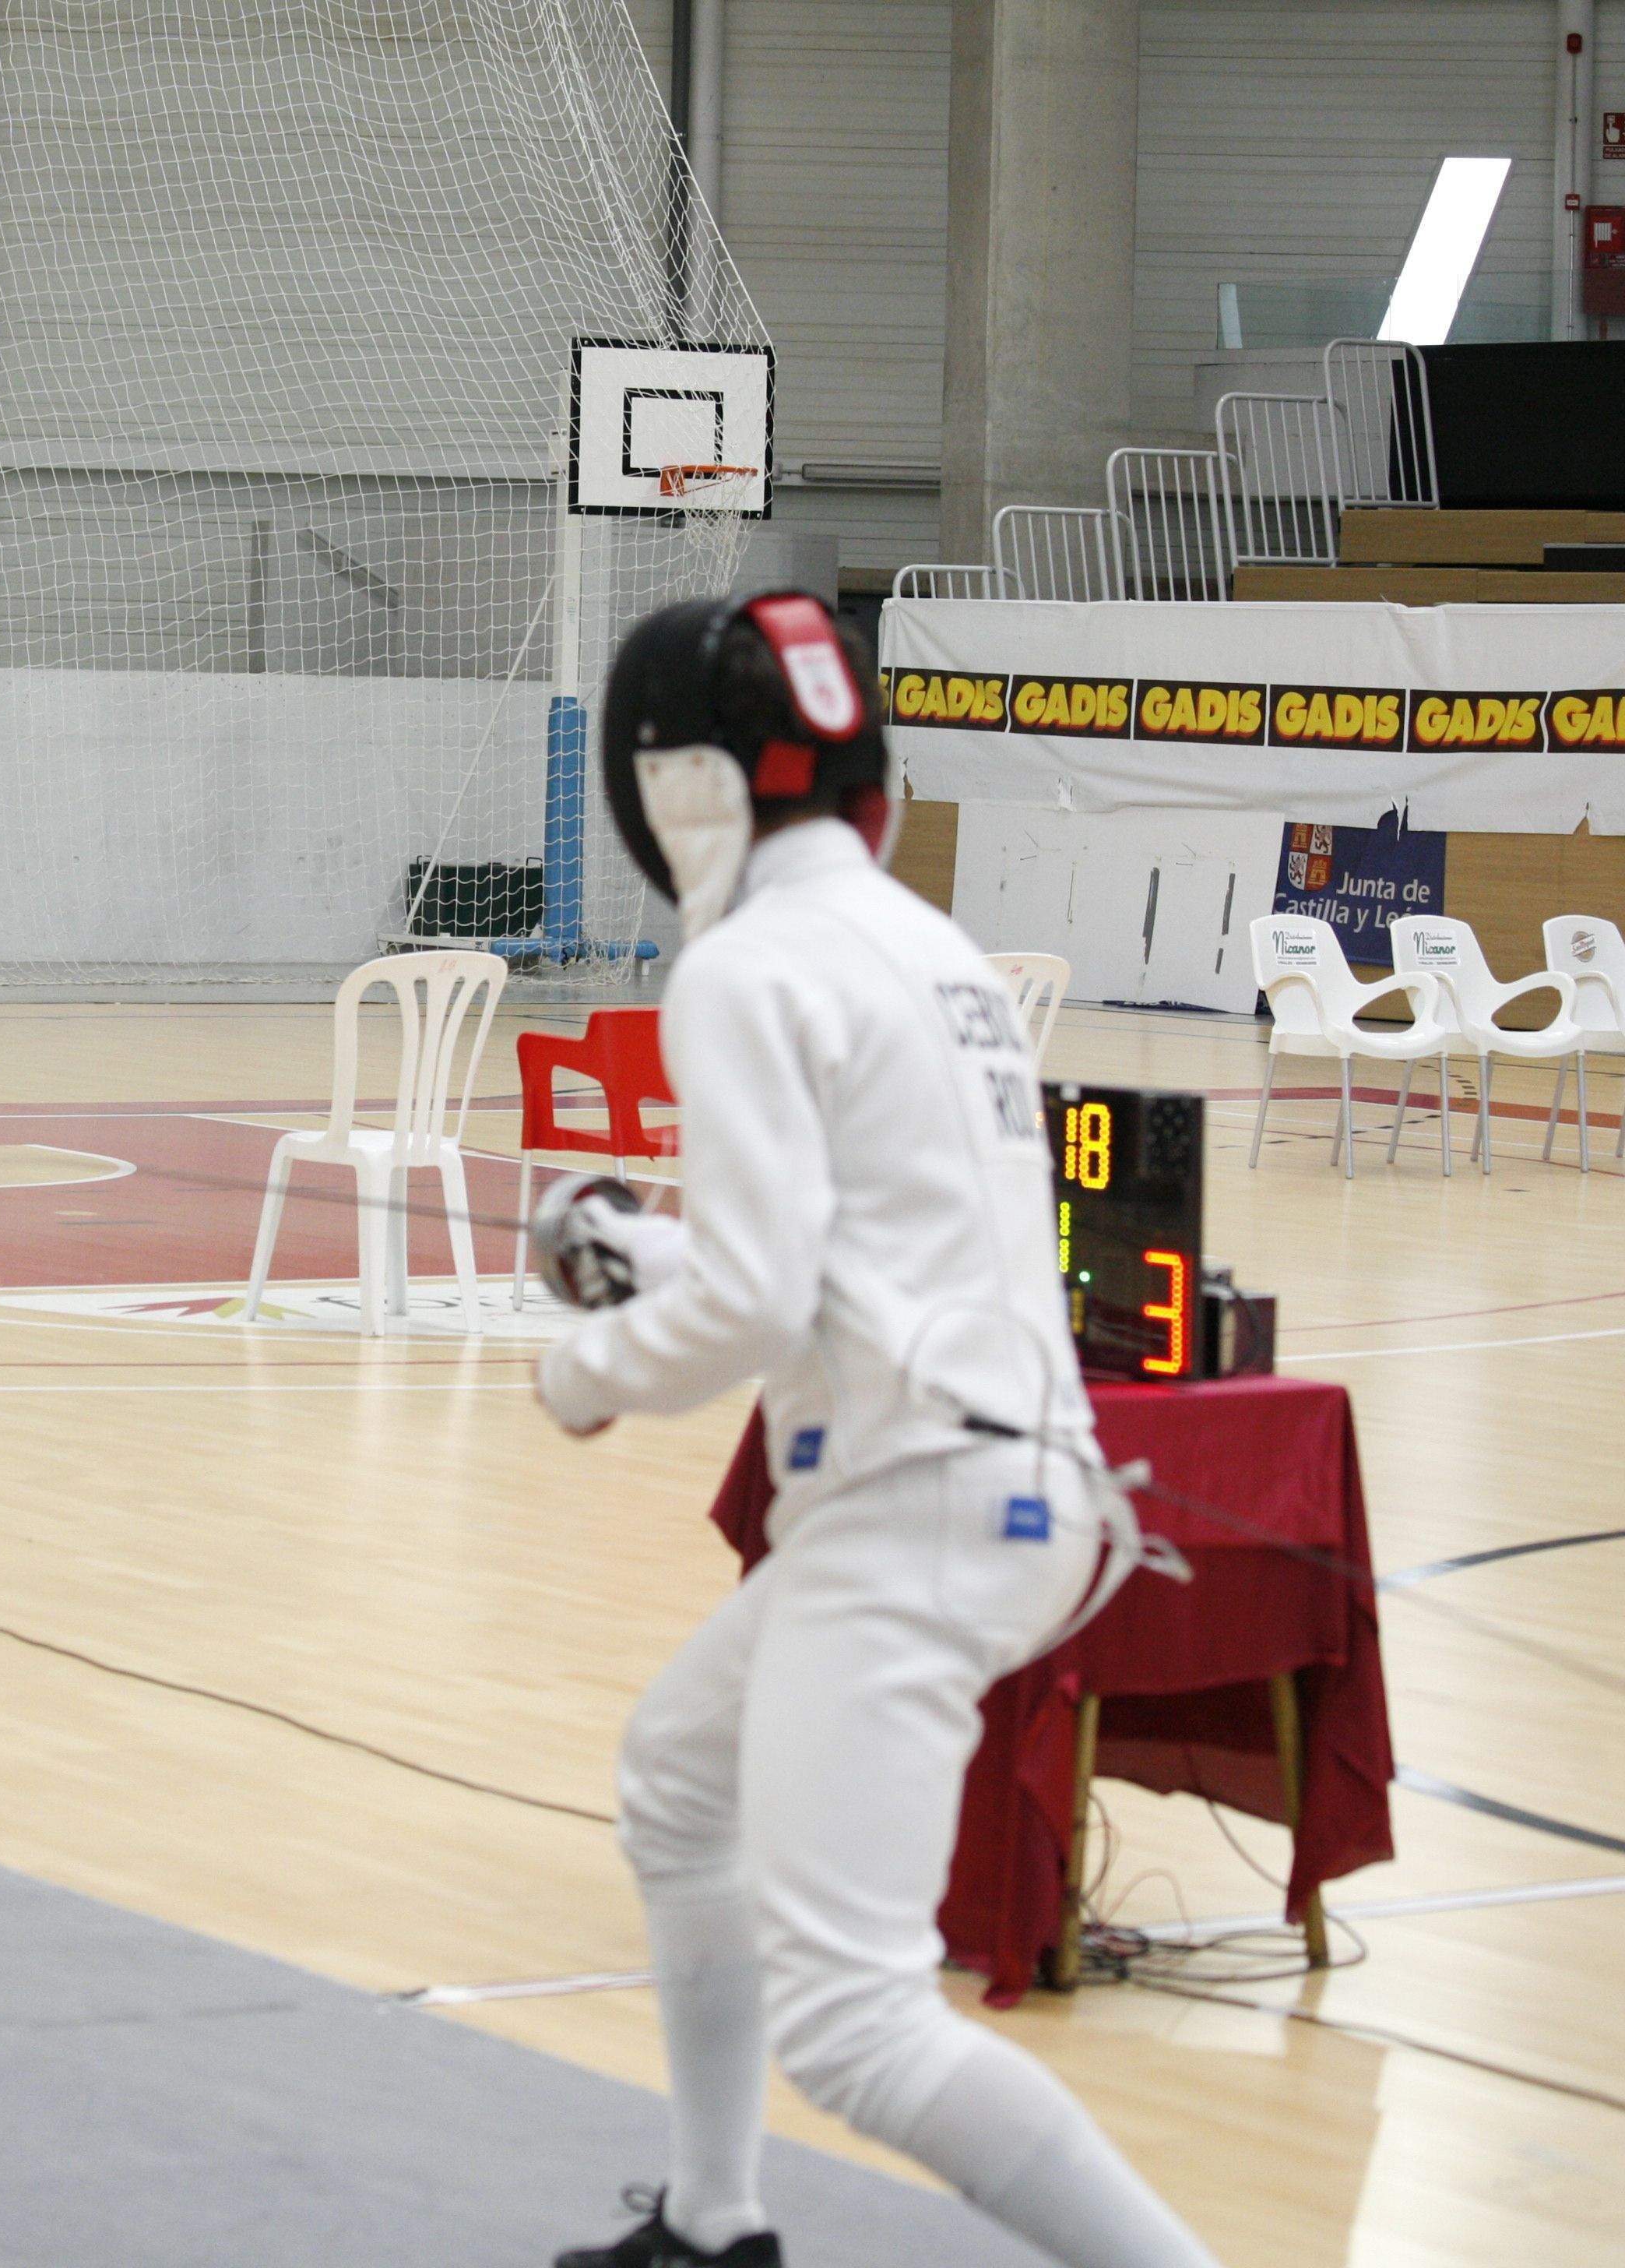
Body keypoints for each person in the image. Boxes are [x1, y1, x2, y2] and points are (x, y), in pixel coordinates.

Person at [532, 593, 1219, 2268]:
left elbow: (763, 1312)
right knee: (681, 1780)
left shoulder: (748, 965)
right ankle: (713, 2222)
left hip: (919, 1501)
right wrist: (655, 1257)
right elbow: (851, 1263)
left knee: (858, 2025)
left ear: (669, 792)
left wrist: (592, 1365)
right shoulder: (929, 947)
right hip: (1001, 1476)